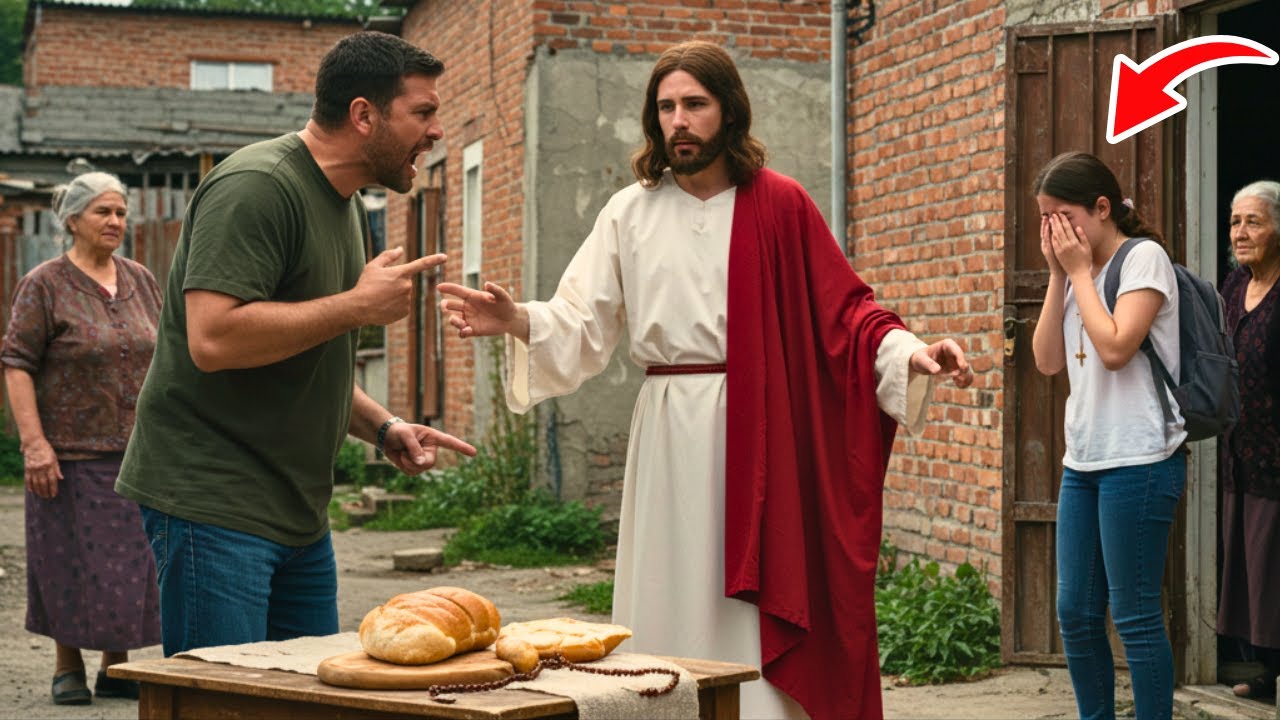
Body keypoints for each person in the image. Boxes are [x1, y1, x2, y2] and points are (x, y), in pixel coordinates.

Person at [438, 40, 974, 720]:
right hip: (665, 427)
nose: (679, 121)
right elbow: (581, 319)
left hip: (755, 430)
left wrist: (908, 352)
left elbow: (846, 312)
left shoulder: (779, 203)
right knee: (667, 588)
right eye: (666, 107)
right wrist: (517, 318)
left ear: (729, 111)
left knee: (742, 601)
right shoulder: (629, 212)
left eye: (695, 104)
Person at [114, 31, 476, 657]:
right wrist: (358, 305)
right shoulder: (257, 186)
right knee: (227, 701)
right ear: (363, 115)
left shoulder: (345, 205)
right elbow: (213, 338)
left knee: (305, 696)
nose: (436, 131)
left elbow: (312, 353)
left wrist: (383, 427)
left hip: (300, 514)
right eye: (423, 112)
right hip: (215, 502)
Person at [1030, 151, 1185, 720]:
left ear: (1102, 208)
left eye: (1063, 215)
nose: (1055, 231)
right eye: (1045, 218)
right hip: (1085, 463)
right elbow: (1047, 361)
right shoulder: (1075, 274)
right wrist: (1058, 274)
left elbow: (1117, 349)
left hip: (1141, 460)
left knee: (1136, 614)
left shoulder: (1142, 259)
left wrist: (1076, 274)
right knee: (1075, 610)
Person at [1, 172, 161, 705]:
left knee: (130, 563)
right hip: (67, 453)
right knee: (66, 559)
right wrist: (34, 444)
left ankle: (116, 665)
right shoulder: (44, 283)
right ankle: (67, 664)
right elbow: (17, 363)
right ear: (72, 221)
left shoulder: (141, 279)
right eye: (103, 213)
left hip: (136, 453)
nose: (116, 222)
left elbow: (165, 357)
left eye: (120, 212)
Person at [1217, 179, 1280, 701]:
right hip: (1239, 454)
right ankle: (1264, 670)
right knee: (1250, 570)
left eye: (1253, 221)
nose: (1240, 232)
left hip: (1277, 454)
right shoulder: (1234, 286)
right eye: (1235, 221)